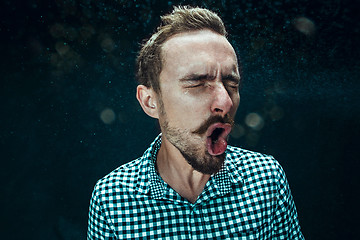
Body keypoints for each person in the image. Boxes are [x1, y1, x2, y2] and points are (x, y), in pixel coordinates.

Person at [87, 6, 304, 239]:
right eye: (197, 83)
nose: (225, 101)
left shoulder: (266, 179)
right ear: (150, 102)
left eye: (232, 84)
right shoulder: (111, 198)